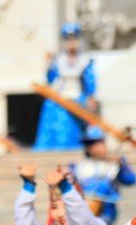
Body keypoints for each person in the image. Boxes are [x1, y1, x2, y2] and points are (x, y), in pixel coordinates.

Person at [33, 23, 96, 151]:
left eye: (74, 39)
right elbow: (51, 79)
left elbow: (90, 82)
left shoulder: (85, 60)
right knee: (50, 107)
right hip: (60, 96)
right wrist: (49, 63)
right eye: (68, 39)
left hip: (77, 97)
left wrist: (90, 97)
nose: (71, 42)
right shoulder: (58, 60)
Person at [71, 125, 136, 225]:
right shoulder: (78, 167)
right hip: (87, 214)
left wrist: (121, 166)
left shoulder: (115, 164)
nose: (102, 147)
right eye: (96, 144)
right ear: (89, 148)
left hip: (108, 214)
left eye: (102, 143)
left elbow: (131, 180)